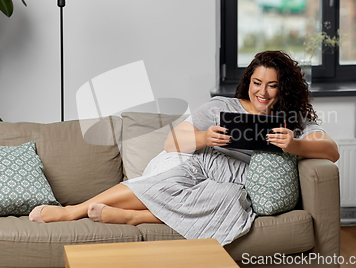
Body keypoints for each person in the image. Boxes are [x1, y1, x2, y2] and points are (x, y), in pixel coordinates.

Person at [29, 50, 339, 246]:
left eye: (272, 85)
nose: (263, 91)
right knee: (170, 179)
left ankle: (136, 218)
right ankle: (73, 211)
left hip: (239, 183)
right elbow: (171, 142)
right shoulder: (223, 107)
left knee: (231, 201)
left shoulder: (292, 119)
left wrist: (295, 144)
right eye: (257, 83)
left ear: (282, 87)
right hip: (202, 166)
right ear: (249, 82)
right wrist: (206, 138)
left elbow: (331, 151)